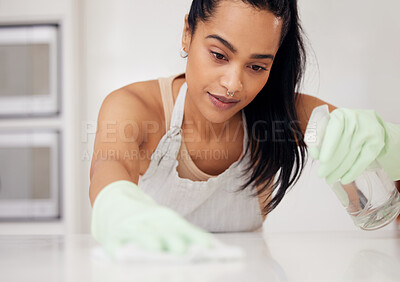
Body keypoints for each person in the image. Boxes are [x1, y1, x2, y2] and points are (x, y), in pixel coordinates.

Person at [89, 0, 400, 257]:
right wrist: (116, 204)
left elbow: (364, 165)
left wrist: (386, 147)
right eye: (219, 55)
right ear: (187, 33)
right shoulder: (138, 109)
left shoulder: (288, 118)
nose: (232, 85)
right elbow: (109, 165)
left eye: (256, 67)